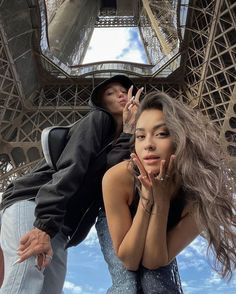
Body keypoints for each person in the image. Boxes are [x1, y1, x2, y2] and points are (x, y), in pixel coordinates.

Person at [0, 75, 143, 294]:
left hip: (61, 227)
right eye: (110, 93)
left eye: (123, 90)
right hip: (34, 204)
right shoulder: (98, 119)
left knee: (50, 289)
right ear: (102, 103)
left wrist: (129, 132)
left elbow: (111, 175)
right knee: (27, 270)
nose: (120, 94)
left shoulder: (130, 140)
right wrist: (44, 225)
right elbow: (72, 166)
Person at [100, 91, 236, 293]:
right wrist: (147, 198)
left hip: (162, 233)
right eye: (140, 136)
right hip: (116, 224)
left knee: (156, 285)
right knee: (126, 286)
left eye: (161, 133)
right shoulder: (117, 178)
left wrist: (161, 201)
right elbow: (129, 260)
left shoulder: (202, 194)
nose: (148, 144)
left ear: (181, 138)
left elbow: (153, 261)